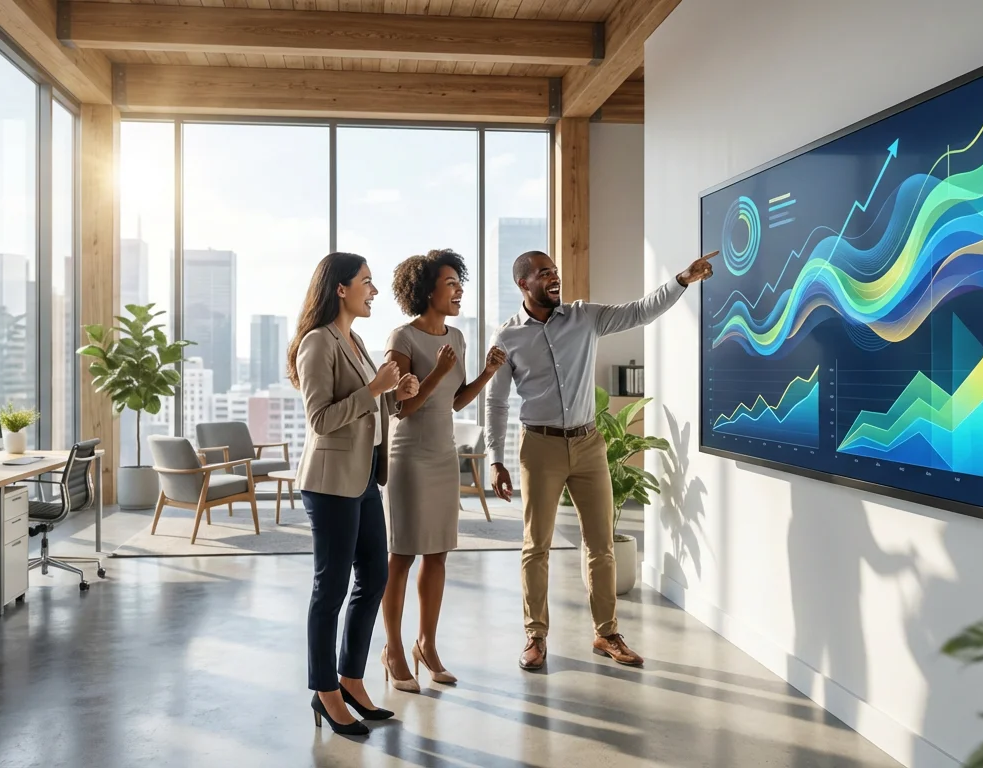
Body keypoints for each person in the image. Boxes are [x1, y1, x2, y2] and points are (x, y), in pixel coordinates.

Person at [485, 249, 716, 671]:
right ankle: (535, 637)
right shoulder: (507, 338)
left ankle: (606, 632)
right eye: (544, 274)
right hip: (539, 447)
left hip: (589, 443)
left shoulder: (584, 316)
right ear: (523, 283)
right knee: (536, 546)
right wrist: (496, 459)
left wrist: (681, 279)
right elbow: (496, 401)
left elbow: (640, 311)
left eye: (555, 271)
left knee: (601, 545)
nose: (555, 278)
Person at [289, 252, 420, 737]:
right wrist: (374, 390)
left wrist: (393, 391)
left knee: (375, 578)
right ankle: (324, 692)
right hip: (330, 484)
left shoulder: (356, 340)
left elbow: (370, 404)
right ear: (340, 288)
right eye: (366, 282)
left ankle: (351, 678)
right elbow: (321, 420)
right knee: (331, 590)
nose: (374, 291)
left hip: (365, 477)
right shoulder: (316, 343)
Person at [380, 249, 508, 693]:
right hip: (410, 456)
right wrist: (435, 372)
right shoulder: (402, 337)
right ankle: (393, 650)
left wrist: (489, 372)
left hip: (442, 455)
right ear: (426, 289)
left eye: (460, 282)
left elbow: (454, 402)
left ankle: (426, 645)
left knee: (438, 554)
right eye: (450, 282)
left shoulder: (456, 336)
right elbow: (402, 406)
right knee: (401, 556)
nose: (458, 290)